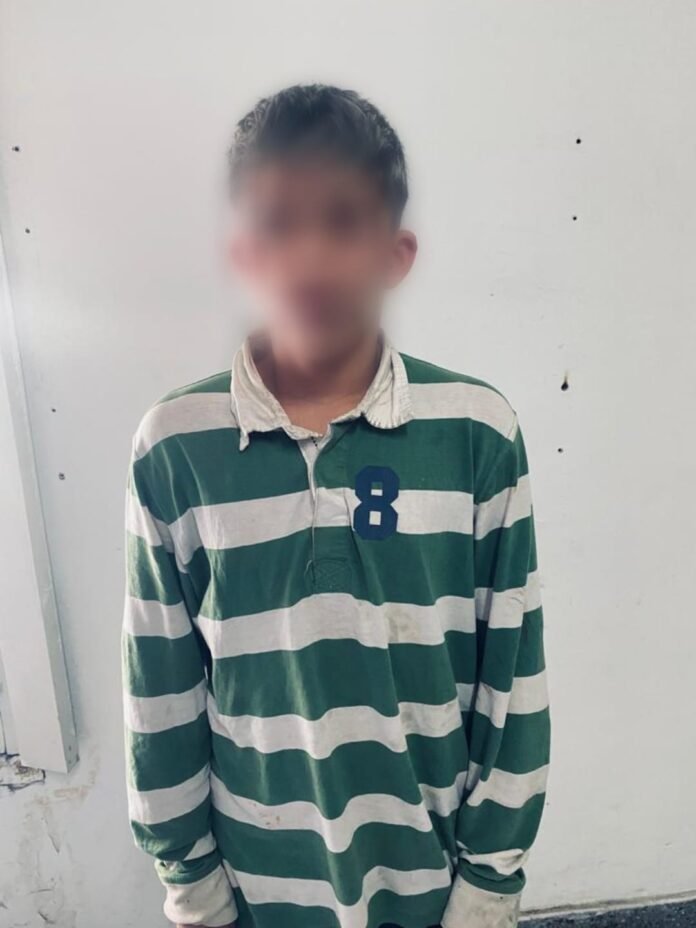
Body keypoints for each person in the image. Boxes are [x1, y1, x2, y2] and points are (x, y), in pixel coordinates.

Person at [122, 84, 550, 928]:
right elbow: (159, 688)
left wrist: (489, 885)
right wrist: (192, 884)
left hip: (433, 884)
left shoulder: (477, 433)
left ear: (396, 253)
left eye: (344, 220)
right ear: (243, 252)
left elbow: (514, 677)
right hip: (257, 886)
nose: (310, 256)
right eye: (280, 223)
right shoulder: (175, 445)